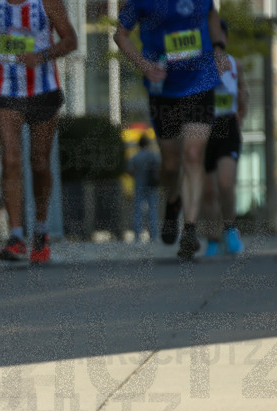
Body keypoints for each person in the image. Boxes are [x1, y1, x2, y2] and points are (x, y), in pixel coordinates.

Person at [114, 0, 227, 260]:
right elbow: (120, 35)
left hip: (200, 82)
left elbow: (212, 15)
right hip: (163, 90)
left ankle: (189, 230)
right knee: (171, 165)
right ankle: (173, 201)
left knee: (193, 155)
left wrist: (219, 48)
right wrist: (144, 66)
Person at [0, 0, 77, 264]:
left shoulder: (47, 2)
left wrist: (41, 56)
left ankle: (41, 230)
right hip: (5, 89)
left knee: (39, 163)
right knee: (11, 159)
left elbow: (71, 41)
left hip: (43, 90)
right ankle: (15, 236)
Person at [200, 22, 246, 256]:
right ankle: (212, 239)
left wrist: (241, 115)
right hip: (203, 128)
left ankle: (230, 229)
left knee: (226, 183)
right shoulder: (198, 65)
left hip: (227, 127)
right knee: (208, 191)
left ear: (225, 39)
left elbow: (243, 92)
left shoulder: (235, 64)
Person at [128, 133, 160, 242]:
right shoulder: (153, 156)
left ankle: (137, 234)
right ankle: (153, 235)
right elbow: (159, 168)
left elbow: (130, 171)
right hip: (152, 185)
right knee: (152, 210)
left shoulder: (135, 157)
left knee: (138, 210)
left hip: (139, 184)